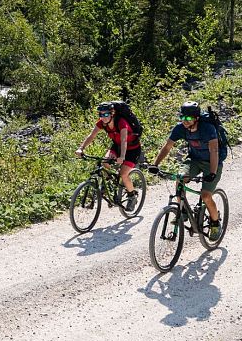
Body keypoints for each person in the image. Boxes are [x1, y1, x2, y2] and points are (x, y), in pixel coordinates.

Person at [151, 101, 225, 240]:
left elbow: (214, 151)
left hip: (212, 163)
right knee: (180, 177)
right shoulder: (180, 128)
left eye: (189, 118)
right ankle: (183, 211)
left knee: (206, 196)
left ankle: (215, 223)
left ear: (196, 118)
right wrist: (155, 164)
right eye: (183, 118)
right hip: (194, 160)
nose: (185, 121)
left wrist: (213, 173)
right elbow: (167, 147)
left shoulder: (207, 128)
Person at [76, 102, 141, 211]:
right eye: (101, 115)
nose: (103, 117)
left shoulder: (121, 122)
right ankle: (110, 184)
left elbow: (124, 140)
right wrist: (81, 148)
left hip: (132, 149)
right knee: (104, 162)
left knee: (124, 174)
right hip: (117, 146)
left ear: (112, 113)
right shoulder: (102, 123)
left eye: (106, 115)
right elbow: (92, 135)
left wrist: (122, 157)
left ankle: (132, 196)